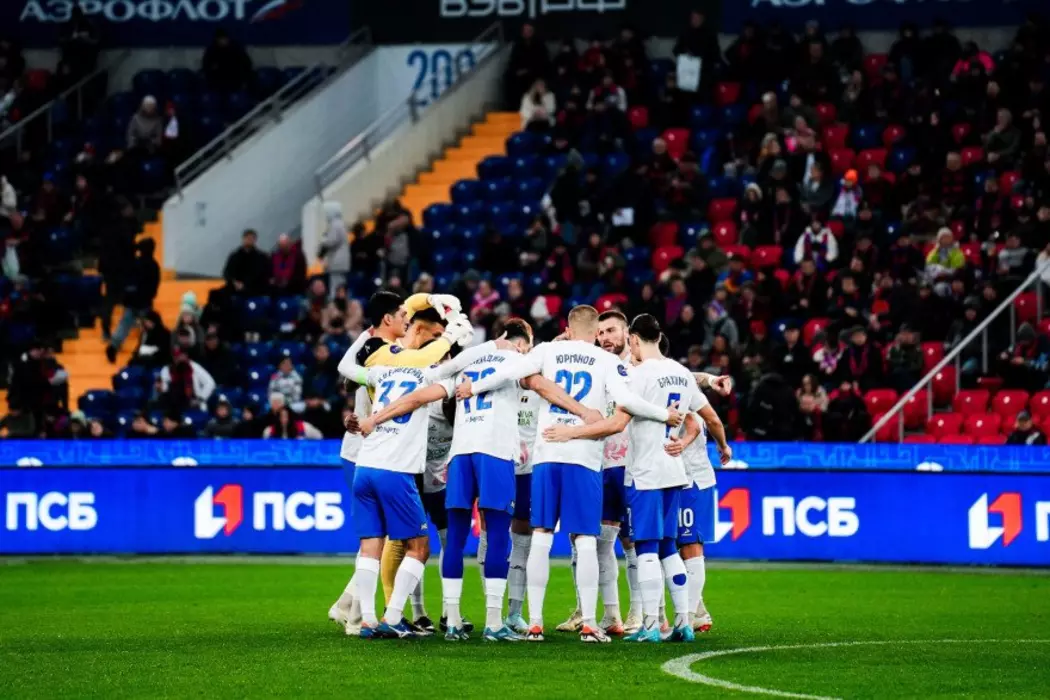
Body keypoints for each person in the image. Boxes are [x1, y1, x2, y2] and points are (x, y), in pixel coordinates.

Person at [456, 305, 683, 643]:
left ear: (568, 328)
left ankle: (535, 623)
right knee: (586, 539)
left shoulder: (547, 351)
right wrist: (664, 414)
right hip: (584, 457)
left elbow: (510, 370)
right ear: (595, 332)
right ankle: (590, 623)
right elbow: (627, 400)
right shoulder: (605, 360)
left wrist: (474, 387)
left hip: (546, 454)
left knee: (542, 535)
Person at [358, 322, 595, 642]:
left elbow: (418, 397)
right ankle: (494, 622)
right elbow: (543, 386)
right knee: (497, 535)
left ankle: (453, 620)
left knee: (454, 539)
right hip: (494, 454)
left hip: (460, 457)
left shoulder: (467, 363)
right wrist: (583, 411)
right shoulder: (517, 361)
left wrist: (376, 418)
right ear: (523, 344)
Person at [543, 314, 720, 643]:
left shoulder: (636, 376)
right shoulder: (681, 373)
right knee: (669, 547)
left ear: (633, 339)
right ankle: (683, 621)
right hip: (674, 471)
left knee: (646, 547)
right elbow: (699, 418)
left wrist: (571, 432)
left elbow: (615, 424)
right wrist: (690, 440)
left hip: (644, 471)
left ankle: (650, 624)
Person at [106, 238, 160, 363]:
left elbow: (127, 282)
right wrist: (150, 295)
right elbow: (154, 284)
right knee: (147, 328)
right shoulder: (153, 266)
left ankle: (114, 345)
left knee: (124, 325)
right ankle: (144, 347)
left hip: (132, 301)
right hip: (145, 302)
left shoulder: (135, 263)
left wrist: (127, 297)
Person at [202, 28, 253, 93]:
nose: (223, 41)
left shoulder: (236, 48)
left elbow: (247, 63)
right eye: (220, 39)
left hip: (235, 79)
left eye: (224, 39)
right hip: (218, 80)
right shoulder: (212, 50)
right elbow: (206, 65)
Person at [222, 229, 271, 296]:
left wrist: (246, 285)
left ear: (255, 240)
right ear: (243, 239)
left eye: (252, 239)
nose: (249, 240)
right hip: (235, 290)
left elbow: (265, 274)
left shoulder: (261, 257)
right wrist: (234, 283)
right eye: (248, 238)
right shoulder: (234, 256)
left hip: (255, 291)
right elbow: (227, 272)